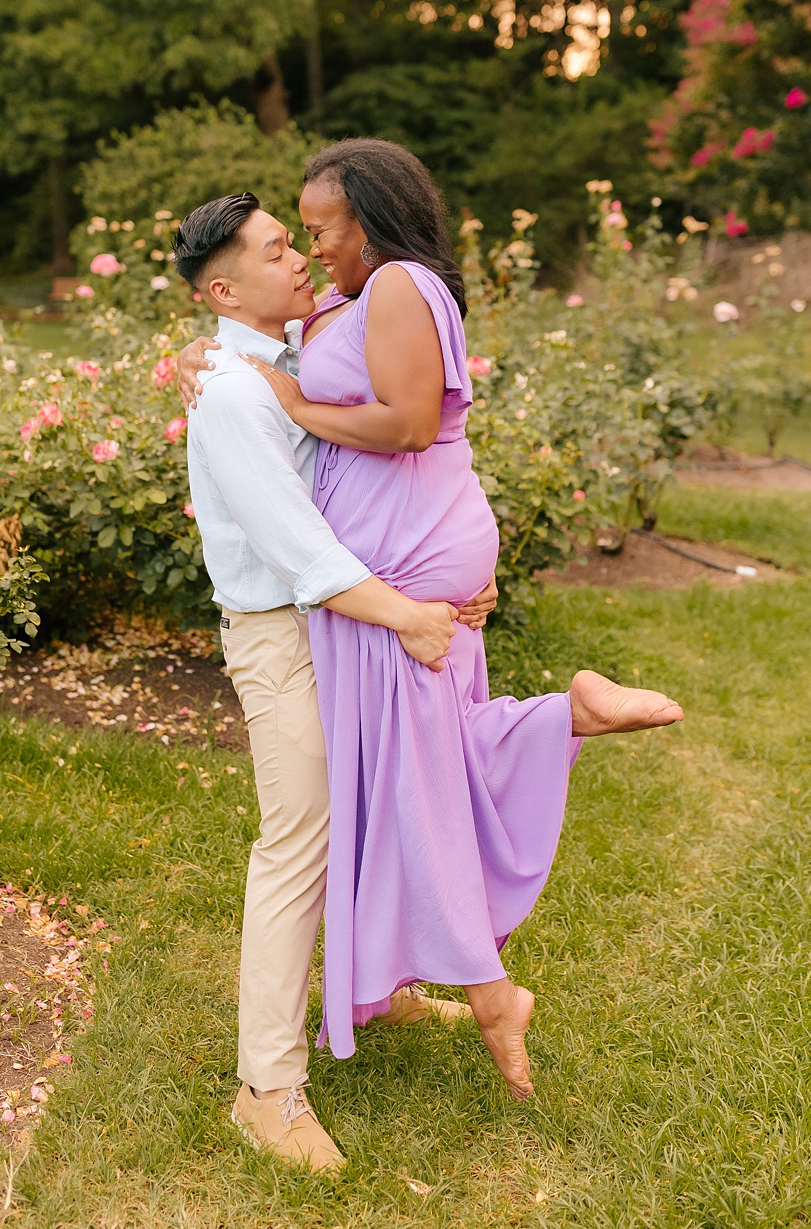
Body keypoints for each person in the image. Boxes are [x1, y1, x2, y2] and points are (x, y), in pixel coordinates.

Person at [176, 191, 497, 1172]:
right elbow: (298, 546)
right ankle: (265, 1088)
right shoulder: (232, 390)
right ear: (225, 287)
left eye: (294, 239)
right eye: (279, 250)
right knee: (299, 841)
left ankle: (383, 985)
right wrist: (409, 612)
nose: (300, 257)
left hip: (341, 623)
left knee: (379, 802)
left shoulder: (291, 349)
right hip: (285, 632)